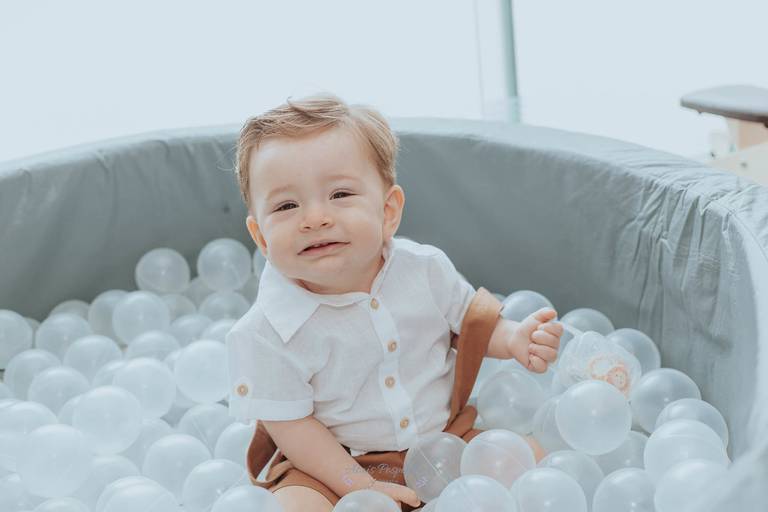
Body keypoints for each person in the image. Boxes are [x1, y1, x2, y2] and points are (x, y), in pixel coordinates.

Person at [226, 92, 563, 511]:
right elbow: (293, 427)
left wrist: (513, 338)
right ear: (261, 237)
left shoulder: (423, 269)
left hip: (445, 440)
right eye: (287, 205)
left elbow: (471, 324)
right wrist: (357, 485)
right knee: (294, 506)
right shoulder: (265, 332)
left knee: (535, 464)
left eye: (340, 195)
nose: (314, 218)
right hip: (334, 463)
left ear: (388, 212)